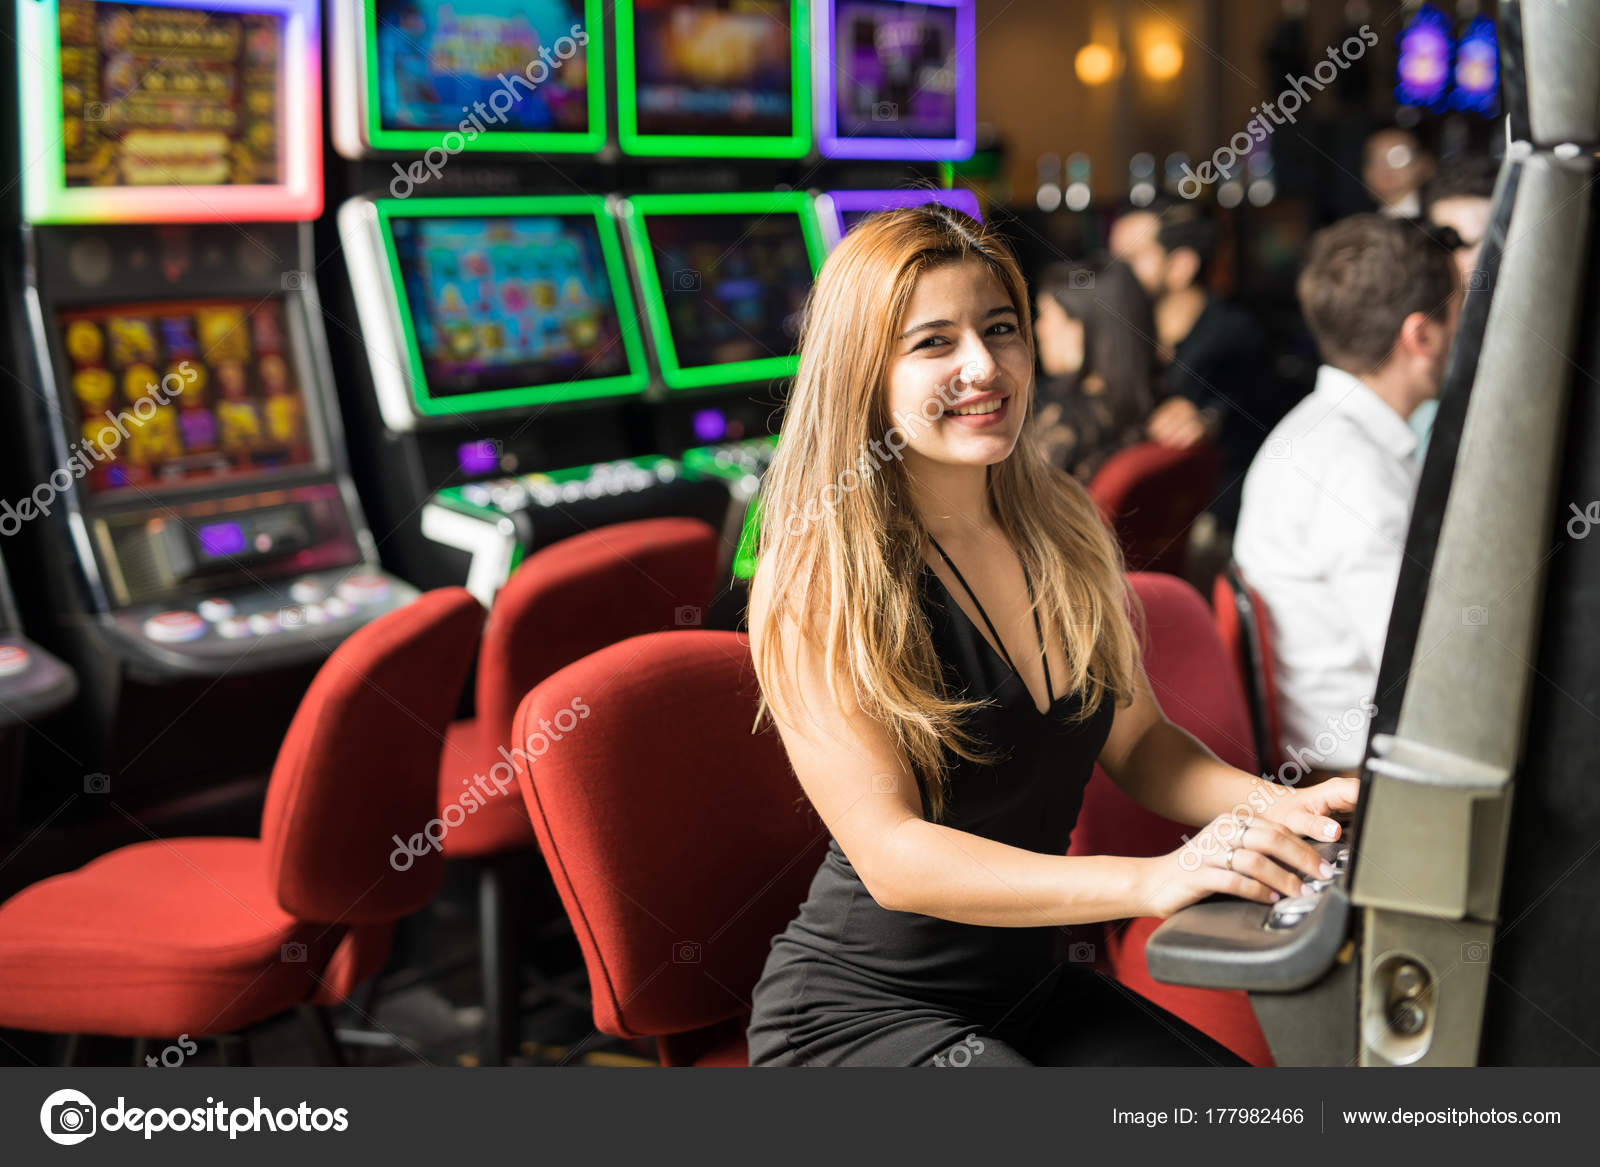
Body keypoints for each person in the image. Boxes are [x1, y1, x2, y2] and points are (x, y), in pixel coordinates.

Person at [744, 205, 1357, 1067]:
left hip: (1026, 987)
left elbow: (1142, 745)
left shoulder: (1061, 520)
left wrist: (1278, 804)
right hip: (861, 1014)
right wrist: (1148, 879)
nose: (984, 366)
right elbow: (891, 855)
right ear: (862, 372)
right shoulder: (821, 568)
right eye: (934, 343)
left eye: (1002, 329)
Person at [1233, 214, 1460, 777]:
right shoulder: (1348, 464)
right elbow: (1430, 664)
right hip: (1362, 772)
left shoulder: (1330, 433)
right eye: (1462, 309)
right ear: (1421, 337)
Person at [1109, 202, 1271, 529]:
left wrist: (1207, 419)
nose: (1114, 275)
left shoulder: (1234, 338)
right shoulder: (1119, 333)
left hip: (1215, 519)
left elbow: (1244, 409)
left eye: (1131, 259)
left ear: (1181, 266)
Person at [1032, 259, 1158, 482]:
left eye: (1047, 316)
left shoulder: (1063, 420)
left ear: (1083, 329)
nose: (1038, 329)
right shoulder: (1162, 406)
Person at [1363, 126, 1434, 219]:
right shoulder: (1368, 222)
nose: (1386, 170)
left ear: (1423, 165)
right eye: (1376, 161)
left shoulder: (1435, 218)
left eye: (1399, 158)